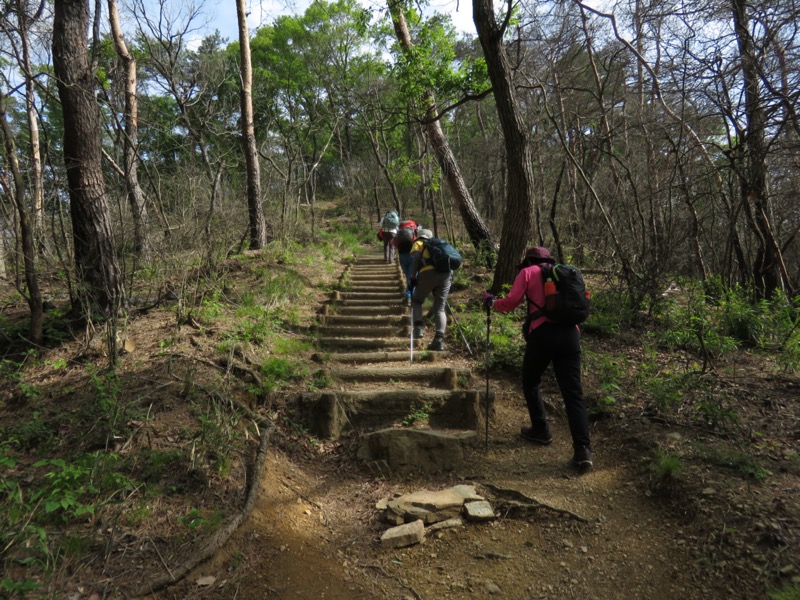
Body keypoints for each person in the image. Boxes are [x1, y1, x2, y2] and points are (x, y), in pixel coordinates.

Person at [483, 246, 593, 469]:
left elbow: (511, 303)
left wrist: (491, 303)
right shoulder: (564, 272)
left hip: (543, 334)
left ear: (529, 260)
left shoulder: (528, 273)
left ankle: (541, 430)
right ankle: (583, 450)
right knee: (573, 394)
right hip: (571, 333)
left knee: (531, 381)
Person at [407, 229, 451, 351]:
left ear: (419, 236)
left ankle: (418, 328)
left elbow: (416, 259)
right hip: (446, 275)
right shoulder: (440, 244)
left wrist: (413, 276)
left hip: (427, 273)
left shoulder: (419, 243)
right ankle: (439, 340)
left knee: (417, 301)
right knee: (440, 308)